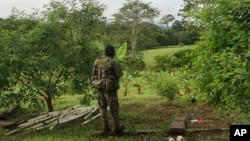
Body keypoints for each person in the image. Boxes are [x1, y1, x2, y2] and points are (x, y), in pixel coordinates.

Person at [92, 45, 125, 135]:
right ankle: (116, 127)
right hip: (109, 88)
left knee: (102, 107)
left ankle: (105, 127)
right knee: (113, 107)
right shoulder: (112, 61)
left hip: (99, 86)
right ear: (112, 52)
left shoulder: (97, 61)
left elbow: (93, 75)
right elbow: (119, 74)